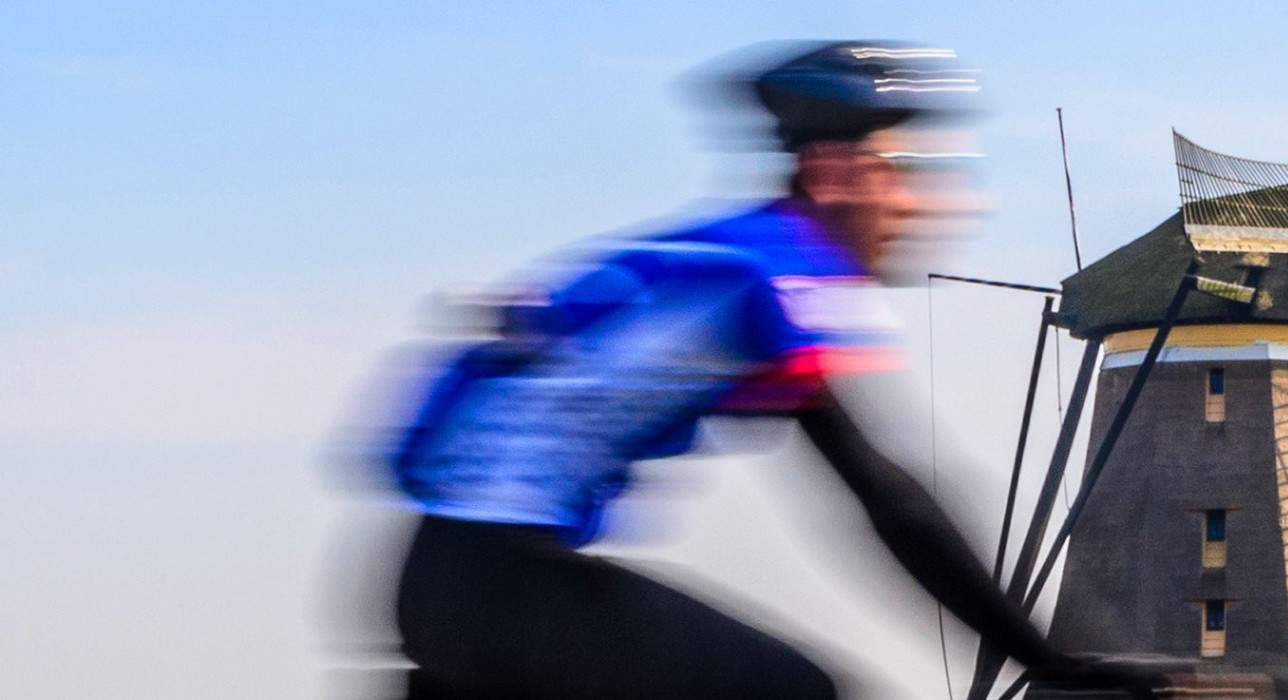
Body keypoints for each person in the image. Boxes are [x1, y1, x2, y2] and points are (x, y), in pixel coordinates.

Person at [381, 41, 1157, 699]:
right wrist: (1052, 660)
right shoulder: (778, 273)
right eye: (901, 170)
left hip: (450, 586)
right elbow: (890, 500)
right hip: (507, 590)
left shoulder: (723, 260)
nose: (918, 203)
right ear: (834, 174)